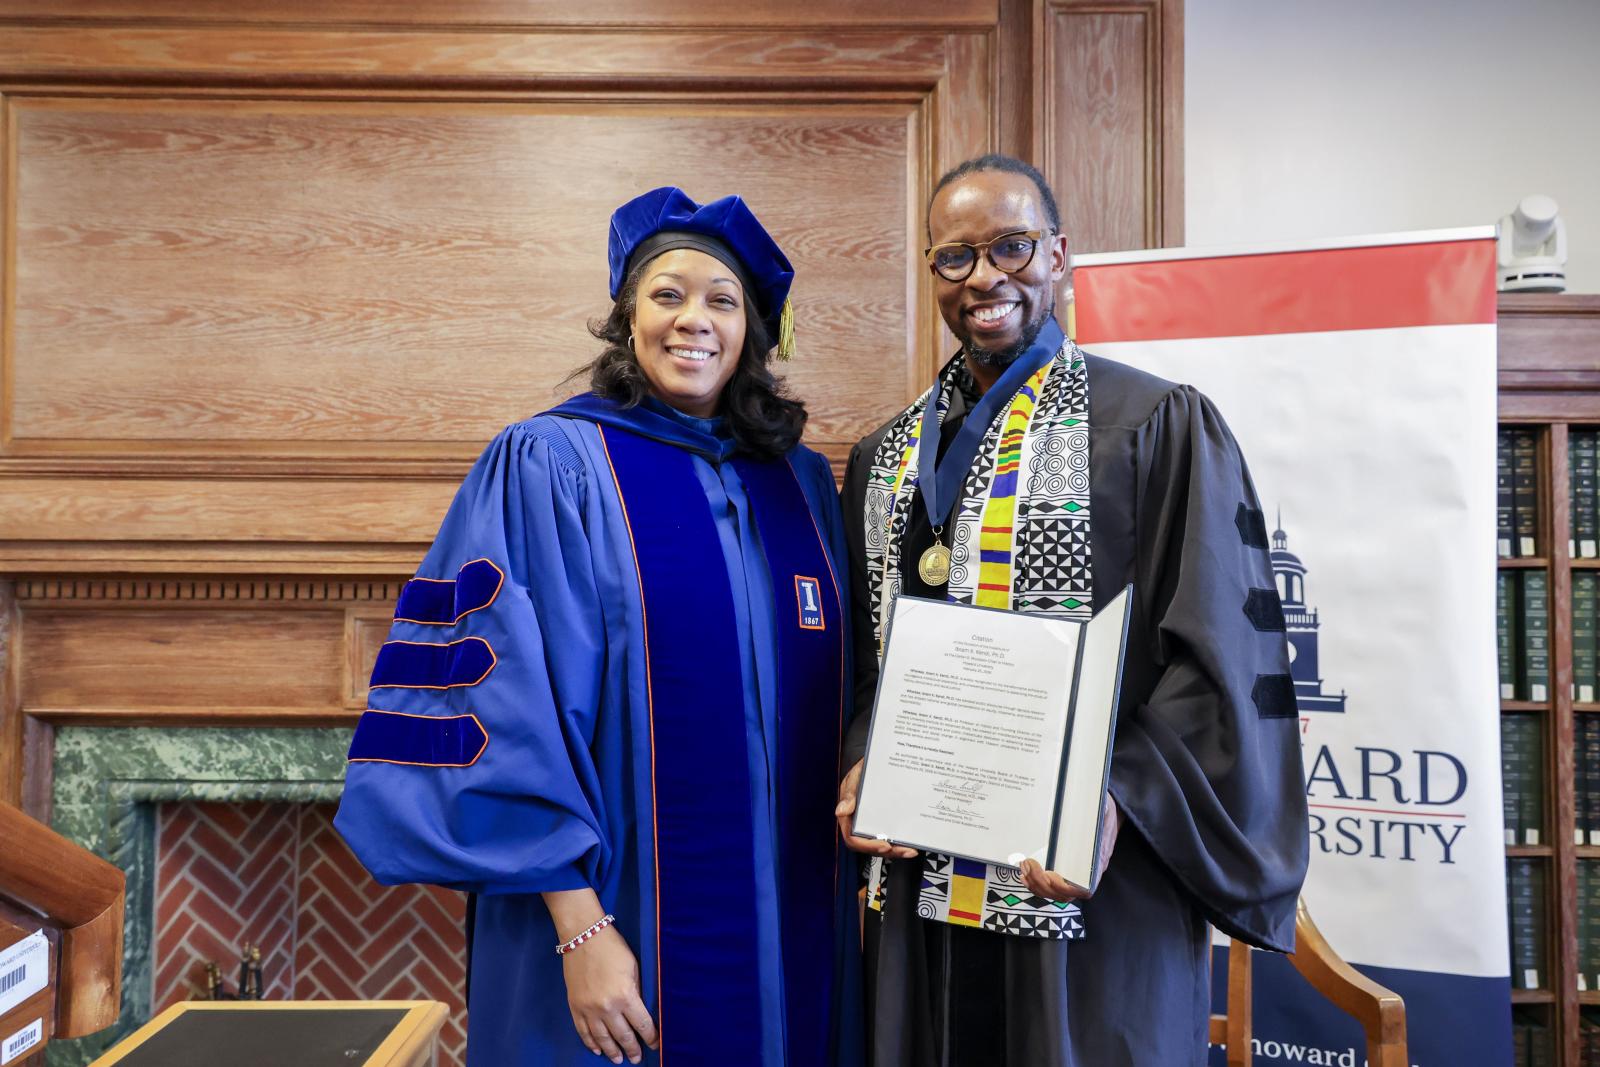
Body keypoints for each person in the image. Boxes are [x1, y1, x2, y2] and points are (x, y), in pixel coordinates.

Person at [335, 186, 863, 1067]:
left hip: (792, 938)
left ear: (752, 334)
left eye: (722, 300)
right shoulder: (549, 463)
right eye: (668, 295)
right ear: (628, 319)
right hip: (606, 927)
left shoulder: (800, 487)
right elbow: (495, 708)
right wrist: (580, 931)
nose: (694, 319)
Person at [832, 154, 1310, 1066]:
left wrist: (1115, 796)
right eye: (956, 257)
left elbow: (1218, 666)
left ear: (1059, 256)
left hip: (1087, 881)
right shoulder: (882, 455)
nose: (986, 278)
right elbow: (868, 662)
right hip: (919, 883)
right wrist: (863, 759)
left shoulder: (1157, 426)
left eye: (1012, 246)